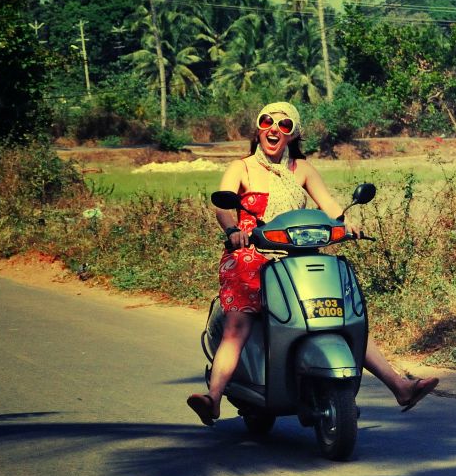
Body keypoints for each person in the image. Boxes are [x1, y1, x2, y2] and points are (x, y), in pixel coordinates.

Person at [186, 101, 439, 426]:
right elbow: (223, 205)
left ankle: (400, 387)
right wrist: (233, 231)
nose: (274, 129)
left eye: (284, 125)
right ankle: (214, 397)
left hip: (298, 257)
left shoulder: (302, 169)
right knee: (238, 326)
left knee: (339, 318)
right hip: (251, 255)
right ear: (258, 129)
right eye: (267, 122)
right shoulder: (242, 168)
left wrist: (346, 223)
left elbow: (330, 205)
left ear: (293, 134)